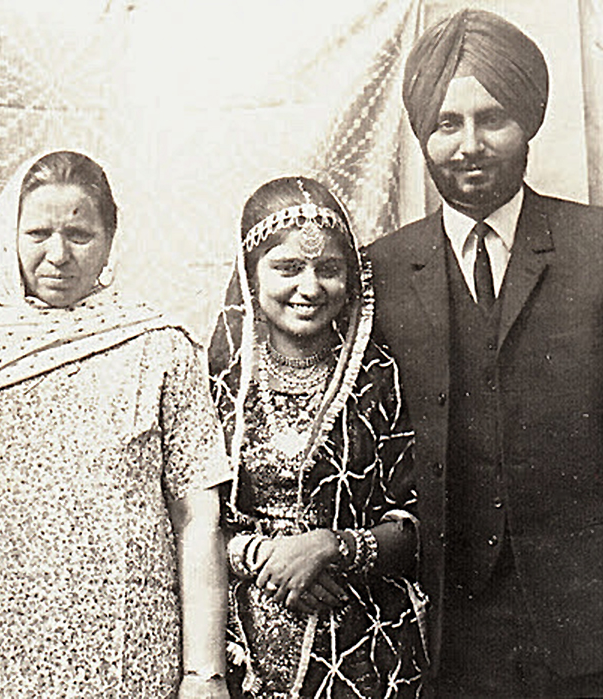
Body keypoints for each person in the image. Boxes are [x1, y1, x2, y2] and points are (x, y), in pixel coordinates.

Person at [365, 9, 603, 697]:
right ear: (422, 134)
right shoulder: (382, 269)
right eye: (447, 124)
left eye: (492, 118)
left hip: (596, 628)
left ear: (529, 123)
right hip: (446, 635)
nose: (469, 145)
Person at [0, 150, 231, 698]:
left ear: (109, 240)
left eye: (79, 234)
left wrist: (204, 674)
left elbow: (198, 518)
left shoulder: (161, 348)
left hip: (130, 660)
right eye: (39, 233)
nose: (58, 255)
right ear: (10, 234)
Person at [208, 176, 427, 698]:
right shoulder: (212, 383)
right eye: (287, 268)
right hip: (239, 646)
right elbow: (185, 521)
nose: (310, 287)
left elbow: (418, 519)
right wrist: (264, 559)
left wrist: (334, 547)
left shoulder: (384, 379)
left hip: (363, 646)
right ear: (250, 275)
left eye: (328, 270)